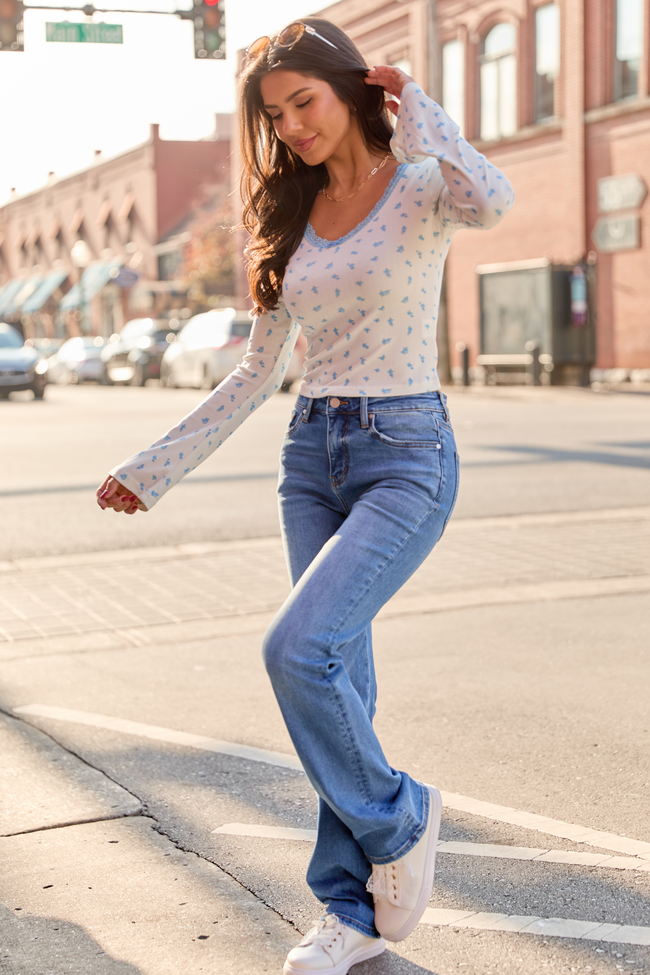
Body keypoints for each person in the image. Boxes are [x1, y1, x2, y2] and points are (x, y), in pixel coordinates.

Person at [96, 18, 514, 975]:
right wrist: (153, 467)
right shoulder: (289, 216)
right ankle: (348, 910)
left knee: (296, 649)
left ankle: (401, 816)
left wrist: (420, 110)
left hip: (405, 452)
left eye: (304, 102)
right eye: (274, 115)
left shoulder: (422, 182)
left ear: (351, 89)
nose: (290, 126)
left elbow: (494, 200)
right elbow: (255, 372)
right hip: (310, 457)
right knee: (337, 687)